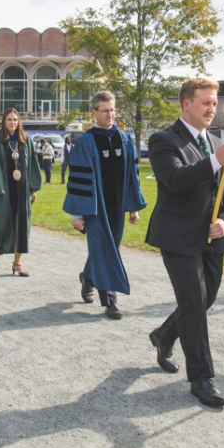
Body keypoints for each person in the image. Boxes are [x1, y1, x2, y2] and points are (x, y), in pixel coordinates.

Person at [146, 78, 224, 408]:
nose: (213, 109)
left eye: (215, 104)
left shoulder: (215, 142)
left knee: (203, 300)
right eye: (206, 103)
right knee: (195, 303)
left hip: (211, 238)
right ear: (187, 104)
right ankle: (201, 378)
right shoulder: (163, 140)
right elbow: (175, 180)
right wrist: (215, 160)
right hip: (177, 236)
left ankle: (163, 335)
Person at [64, 90, 147, 320]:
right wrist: (77, 214)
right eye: (105, 110)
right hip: (95, 209)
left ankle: (88, 278)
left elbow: (132, 175)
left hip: (118, 207)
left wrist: (133, 207)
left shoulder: (124, 139)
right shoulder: (86, 142)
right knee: (106, 250)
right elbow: (78, 179)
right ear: (94, 112)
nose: (110, 114)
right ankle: (110, 302)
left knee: (107, 248)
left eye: (112, 110)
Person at [0, 108, 42, 276]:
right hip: (2, 192)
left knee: (22, 227)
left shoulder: (25, 141)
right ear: (4, 121)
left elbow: (33, 166)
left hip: (22, 192)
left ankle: (17, 264)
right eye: (9, 119)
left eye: (15, 119)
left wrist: (33, 189)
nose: (12, 123)